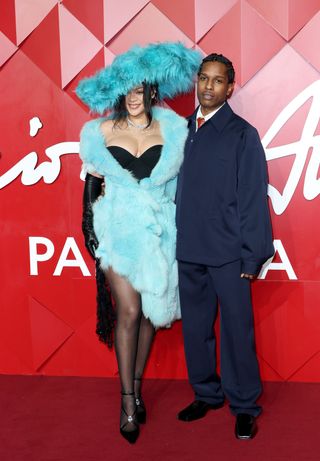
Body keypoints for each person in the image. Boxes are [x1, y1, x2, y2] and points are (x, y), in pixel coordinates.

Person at [76, 42, 201, 444]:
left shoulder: (174, 129)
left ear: (150, 92)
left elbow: (183, 187)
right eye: (126, 91)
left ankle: (137, 383)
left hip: (160, 230)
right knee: (128, 310)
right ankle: (127, 399)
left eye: (139, 90)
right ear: (119, 94)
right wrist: (92, 234)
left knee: (150, 313)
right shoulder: (100, 132)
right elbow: (92, 187)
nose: (132, 98)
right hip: (115, 230)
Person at [175, 53, 274, 439]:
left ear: (230, 88)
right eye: (204, 79)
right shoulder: (180, 131)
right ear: (197, 82)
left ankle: (245, 404)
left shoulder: (242, 135)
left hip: (230, 253)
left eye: (218, 81)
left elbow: (252, 197)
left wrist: (254, 253)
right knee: (196, 330)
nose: (209, 87)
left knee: (237, 331)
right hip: (189, 249)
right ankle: (206, 393)